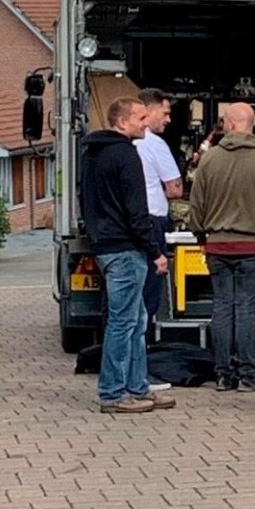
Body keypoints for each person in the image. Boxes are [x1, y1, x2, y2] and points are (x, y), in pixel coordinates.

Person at [80, 97, 176, 414]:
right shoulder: (126, 155)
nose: (145, 123)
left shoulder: (92, 154)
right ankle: (114, 392)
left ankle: (138, 386)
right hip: (126, 248)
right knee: (124, 323)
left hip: (106, 244)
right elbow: (137, 211)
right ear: (122, 122)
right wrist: (156, 252)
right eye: (140, 118)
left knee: (134, 321)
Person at [188, 102, 255, 392]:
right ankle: (248, 372)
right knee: (246, 308)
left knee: (221, 307)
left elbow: (196, 206)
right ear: (253, 124)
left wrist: (201, 234)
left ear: (228, 124)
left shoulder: (210, 160)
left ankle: (223, 374)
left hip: (218, 246)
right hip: (254, 244)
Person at [134, 88, 183, 344]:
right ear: (149, 110)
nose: (168, 120)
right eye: (165, 113)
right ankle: (145, 357)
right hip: (152, 223)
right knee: (149, 295)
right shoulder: (154, 143)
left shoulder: (121, 143)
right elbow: (175, 189)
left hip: (126, 223)